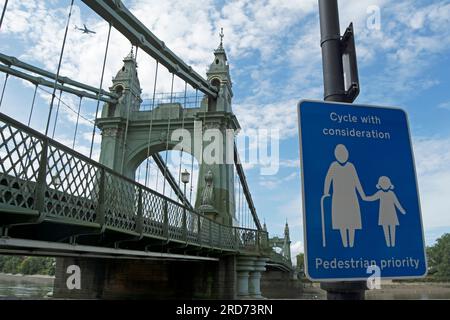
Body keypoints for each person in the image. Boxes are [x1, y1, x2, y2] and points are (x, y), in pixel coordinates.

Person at [323, 144, 366, 248]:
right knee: (341, 222)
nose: (342, 155)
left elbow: (357, 182)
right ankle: (344, 244)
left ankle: (351, 244)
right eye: (339, 153)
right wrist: (326, 192)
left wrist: (363, 195)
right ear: (336, 155)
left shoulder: (351, 166)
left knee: (351, 222)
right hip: (338, 198)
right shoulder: (334, 166)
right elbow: (328, 179)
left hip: (352, 197)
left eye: (344, 153)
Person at [365, 176, 406, 247]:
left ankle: (393, 244)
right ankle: (388, 243)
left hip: (392, 213)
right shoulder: (380, 193)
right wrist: (365, 198)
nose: (385, 185)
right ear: (380, 185)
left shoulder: (391, 193)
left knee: (393, 228)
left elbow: (397, 203)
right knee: (385, 228)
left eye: (386, 183)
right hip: (383, 214)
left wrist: (402, 211)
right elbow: (372, 198)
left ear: (389, 184)